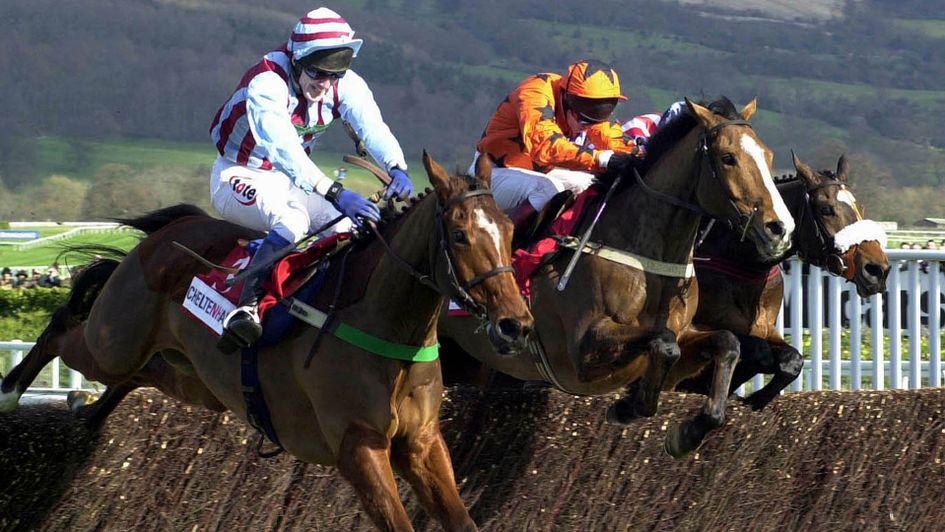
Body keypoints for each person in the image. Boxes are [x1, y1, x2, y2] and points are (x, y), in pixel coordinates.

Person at [209, 7, 414, 349]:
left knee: (351, 227)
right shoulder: (267, 83)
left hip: (289, 180)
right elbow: (285, 150)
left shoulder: (343, 83)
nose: (326, 84)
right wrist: (335, 192)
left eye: (334, 75)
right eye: (318, 73)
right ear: (297, 60)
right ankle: (246, 311)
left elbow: (372, 126)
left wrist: (397, 166)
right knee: (293, 220)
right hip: (238, 174)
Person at [474, 59, 644, 226]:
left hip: (538, 172)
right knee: (547, 189)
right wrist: (601, 159)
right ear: (568, 98)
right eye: (586, 118)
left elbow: (613, 139)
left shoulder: (585, 108)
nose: (589, 126)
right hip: (490, 175)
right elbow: (545, 146)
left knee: (586, 185)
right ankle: (501, 242)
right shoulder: (535, 92)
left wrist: (642, 156)